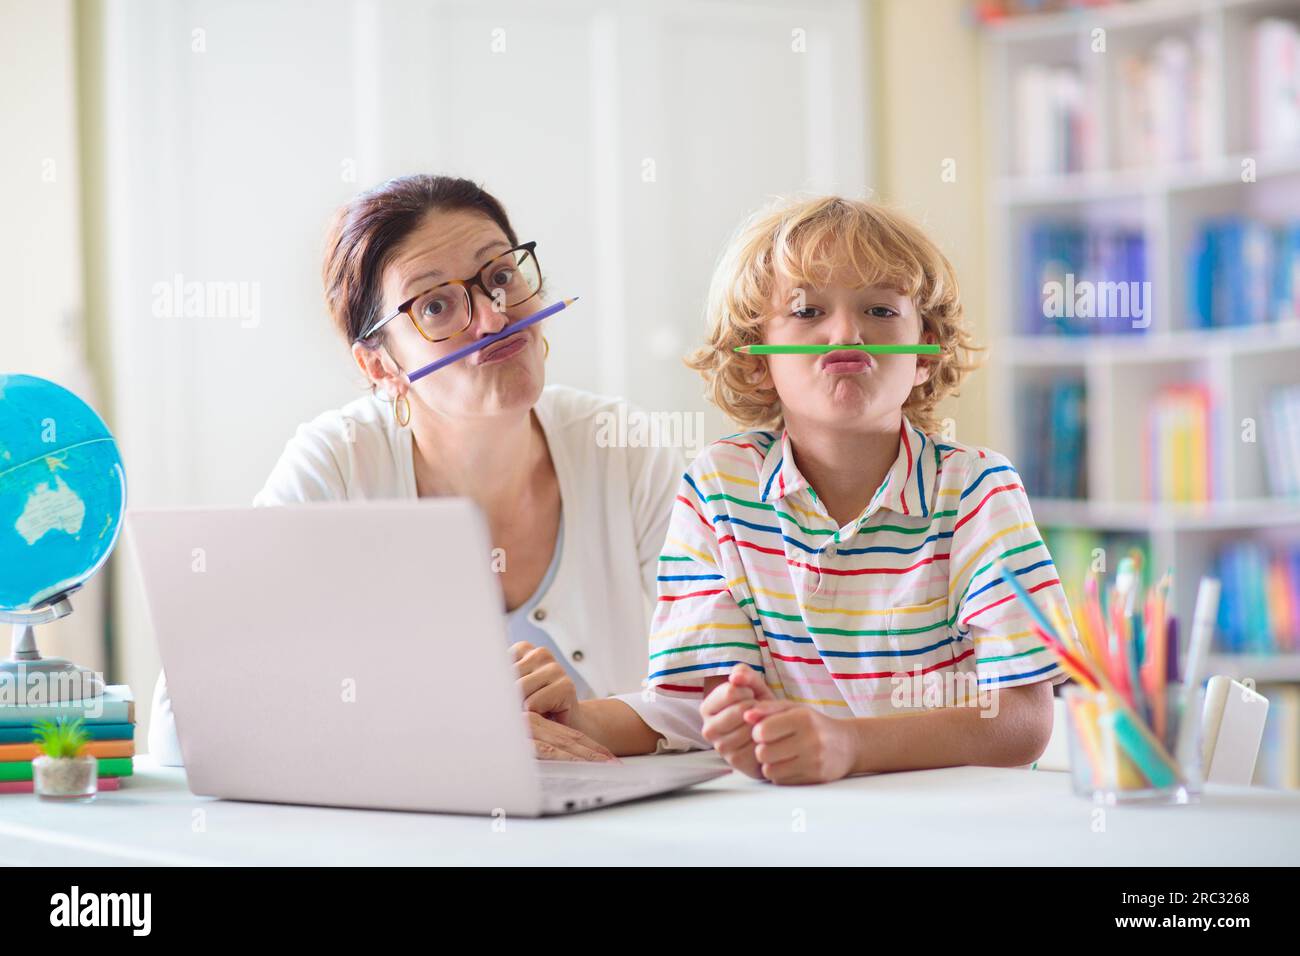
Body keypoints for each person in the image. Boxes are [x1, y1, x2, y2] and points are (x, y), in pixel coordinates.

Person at [148, 174, 707, 766]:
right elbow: (180, 722)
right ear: (380, 365)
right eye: (435, 305)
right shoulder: (336, 465)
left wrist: (588, 723)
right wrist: (450, 726)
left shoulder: (621, 448)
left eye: (500, 276)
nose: (493, 320)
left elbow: (725, 684)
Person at [645, 195, 1073, 784]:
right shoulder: (719, 488)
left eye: (878, 309)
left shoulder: (976, 490)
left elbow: (1023, 723)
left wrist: (848, 745)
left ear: (926, 353)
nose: (846, 332)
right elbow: (699, 710)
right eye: (806, 311)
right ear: (755, 360)